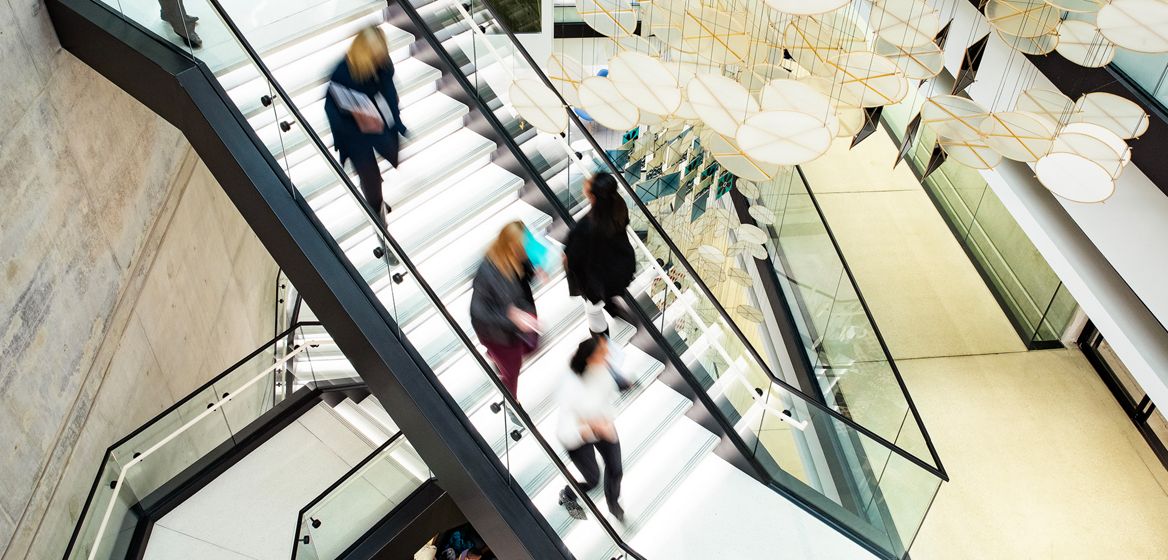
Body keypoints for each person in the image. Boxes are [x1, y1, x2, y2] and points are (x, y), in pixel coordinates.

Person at [324, 26, 407, 228]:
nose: (381, 56)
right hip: (350, 130)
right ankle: (379, 223)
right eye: (376, 53)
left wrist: (393, 122)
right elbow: (332, 107)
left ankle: (376, 197)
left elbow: (389, 91)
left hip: (374, 121)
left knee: (390, 148)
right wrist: (355, 114)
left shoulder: (383, 64)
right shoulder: (342, 72)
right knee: (369, 175)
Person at [557, 336, 625, 522]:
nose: (608, 355)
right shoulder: (572, 387)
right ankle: (568, 494)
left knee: (616, 468)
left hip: (600, 425)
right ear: (589, 358)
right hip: (578, 436)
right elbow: (567, 431)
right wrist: (592, 428)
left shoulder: (602, 370)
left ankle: (614, 505)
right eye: (602, 353)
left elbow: (605, 398)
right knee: (592, 479)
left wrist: (605, 421)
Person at [470, 222, 540, 400]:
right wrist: (511, 318)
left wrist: (534, 272)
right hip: (498, 334)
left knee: (531, 345)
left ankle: (494, 356)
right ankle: (511, 402)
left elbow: (522, 277)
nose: (525, 252)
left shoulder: (518, 257)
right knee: (512, 370)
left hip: (517, 323)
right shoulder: (487, 272)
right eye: (521, 247)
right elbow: (477, 312)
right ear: (510, 245)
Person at [564, 172, 637, 336]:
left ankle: (603, 343)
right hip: (618, 267)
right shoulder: (617, 206)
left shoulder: (586, 227)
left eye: (588, 183)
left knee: (593, 311)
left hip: (598, 280)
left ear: (593, 196)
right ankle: (611, 306)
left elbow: (575, 262)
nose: (585, 183)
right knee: (605, 296)